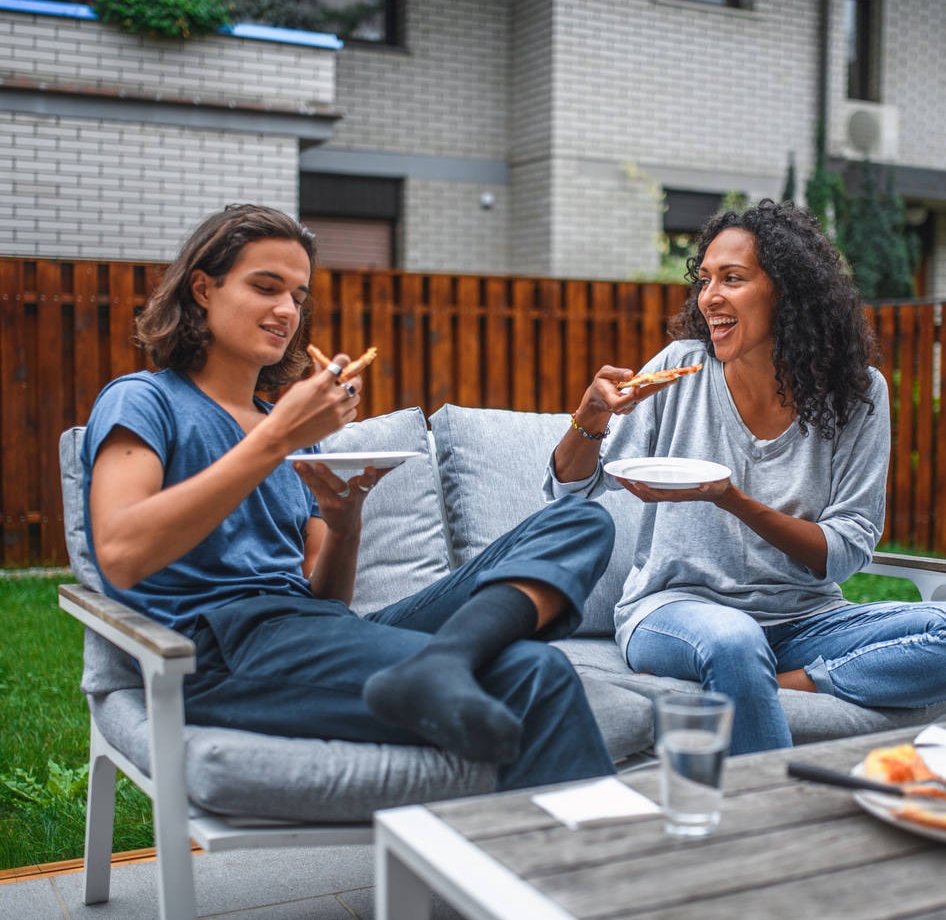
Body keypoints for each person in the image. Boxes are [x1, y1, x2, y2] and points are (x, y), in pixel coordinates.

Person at [81, 203, 619, 792]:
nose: (286, 310)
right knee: (532, 670)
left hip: (309, 626)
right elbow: (122, 551)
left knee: (579, 520)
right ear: (203, 288)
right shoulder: (144, 401)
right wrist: (276, 439)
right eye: (266, 287)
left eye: (297, 296)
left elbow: (327, 600)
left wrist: (344, 523)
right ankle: (583, 874)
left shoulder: (280, 423)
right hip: (223, 651)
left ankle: (444, 662)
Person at [546, 198, 946, 755]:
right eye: (705, 279)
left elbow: (845, 551)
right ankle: (770, 814)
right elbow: (573, 488)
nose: (710, 297)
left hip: (807, 619)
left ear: (787, 292)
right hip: (674, 610)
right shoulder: (678, 371)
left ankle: (785, 685)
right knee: (734, 641)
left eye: (732, 279)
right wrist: (589, 418)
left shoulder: (857, 394)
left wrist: (731, 498)